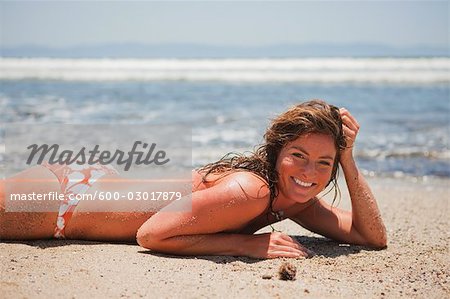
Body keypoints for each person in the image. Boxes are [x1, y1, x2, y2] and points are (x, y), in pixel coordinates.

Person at [0, 100, 387, 259]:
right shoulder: (253, 190)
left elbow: (371, 237)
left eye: (324, 163)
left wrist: (349, 158)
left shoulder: (296, 199)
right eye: (298, 156)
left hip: (91, 186)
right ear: (277, 153)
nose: (308, 173)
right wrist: (246, 244)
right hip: (62, 203)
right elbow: (150, 235)